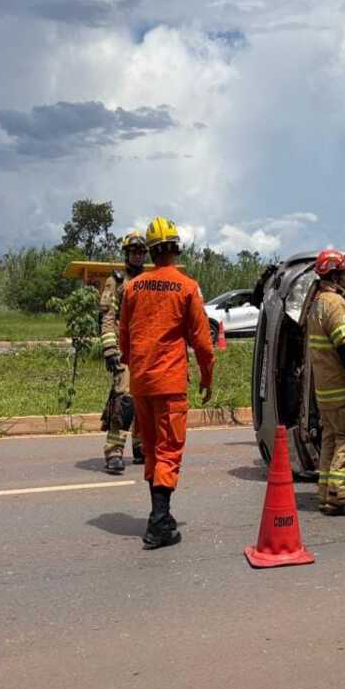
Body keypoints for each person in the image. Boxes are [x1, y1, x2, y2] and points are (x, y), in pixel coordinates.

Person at [119, 216, 215, 550]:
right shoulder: (187, 287)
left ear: (149, 251)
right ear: (176, 249)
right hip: (170, 382)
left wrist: (135, 368)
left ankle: (161, 515)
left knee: (150, 449)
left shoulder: (132, 287)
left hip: (141, 382)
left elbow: (124, 336)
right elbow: (202, 342)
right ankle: (159, 523)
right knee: (169, 450)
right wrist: (207, 376)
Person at [307, 249, 345, 516]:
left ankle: (325, 494)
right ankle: (340, 495)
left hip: (324, 390)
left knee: (331, 440)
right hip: (342, 389)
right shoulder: (336, 304)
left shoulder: (317, 304)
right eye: (344, 272)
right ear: (335, 275)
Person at [99, 231, 148, 475]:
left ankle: (141, 448)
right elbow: (108, 317)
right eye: (134, 251)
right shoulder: (116, 281)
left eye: (141, 252)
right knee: (124, 399)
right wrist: (110, 349)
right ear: (126, 253)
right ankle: (114, 451)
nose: (138, 255)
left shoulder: (150, 280)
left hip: (146, 351)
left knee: (144, 399)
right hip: (123, 349)